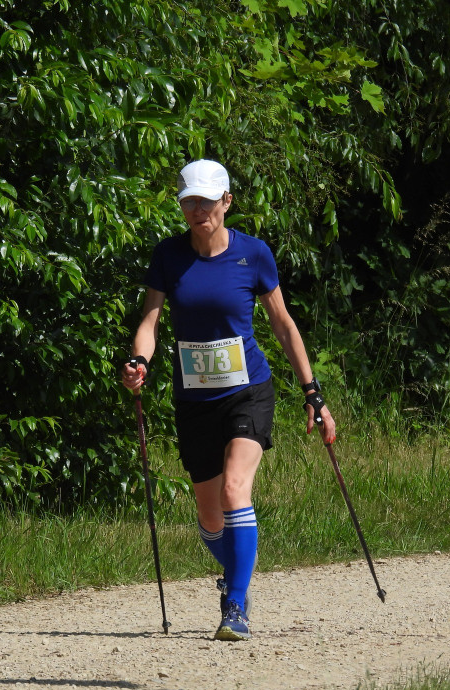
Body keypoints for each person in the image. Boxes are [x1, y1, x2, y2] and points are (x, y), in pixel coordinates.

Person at [120, 159, 337, 641]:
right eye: (189, 201)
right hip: (194, 400)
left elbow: (283, 325)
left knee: (235, 490)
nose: (198, 209)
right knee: (209, 517)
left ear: (227, 201)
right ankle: (238, 569)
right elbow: (151, 321)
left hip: (248, 391)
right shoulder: (169, 256)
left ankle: (235, 603)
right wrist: (139, 361)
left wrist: (312, 392)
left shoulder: (253, 254)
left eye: (207, 200)